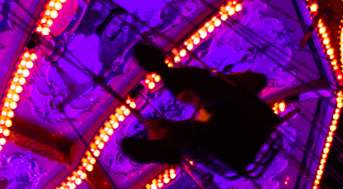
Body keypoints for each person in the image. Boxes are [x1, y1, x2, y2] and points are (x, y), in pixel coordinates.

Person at [118, 42, 277, 175]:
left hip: (234, 151)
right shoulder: (175, 134)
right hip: (241, 135)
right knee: (235, 95)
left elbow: (201, 122)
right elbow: (208, 105)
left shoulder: (173, 146)